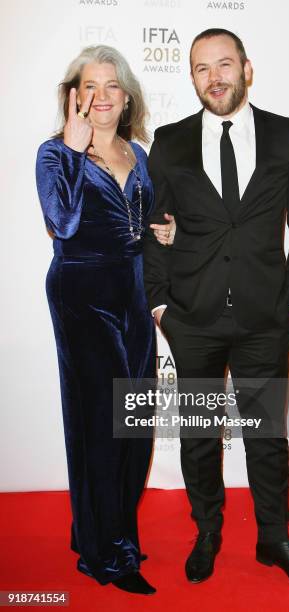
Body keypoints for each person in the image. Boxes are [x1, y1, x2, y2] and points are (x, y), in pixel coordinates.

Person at [143, 29, 289, 587]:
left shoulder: (286, 136)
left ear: (247, 69)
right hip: (192, 319)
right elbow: (155, 232)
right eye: (202, 69)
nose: (215, 77)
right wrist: (158, 305)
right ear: (192, 77)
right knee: (200, 437)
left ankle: (274, 537)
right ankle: (207, 532)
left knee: (265, 435)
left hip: (264, 319)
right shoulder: (170, 142)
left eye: (225, 65)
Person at [36, 45, 172, 595]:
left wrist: (161, 233)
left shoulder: (138, 153)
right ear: (74, 96)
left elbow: (141, 221)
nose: (102, 97)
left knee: (134, 422)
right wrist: (72, 152)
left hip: (134, 296)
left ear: (127, 95)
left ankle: (107, 529)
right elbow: (61, 223)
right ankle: (104, 555)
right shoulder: (52, 153)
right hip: (82, 294)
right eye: (90, 86)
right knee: (101, 425)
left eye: (112, 85)